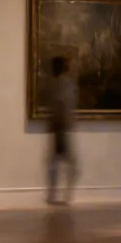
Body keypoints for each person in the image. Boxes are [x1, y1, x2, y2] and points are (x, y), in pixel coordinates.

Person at [45, 55, 79, 204]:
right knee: (69, 163)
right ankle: (64, 194)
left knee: (56, 162)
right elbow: (64, 105)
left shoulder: (53, 84)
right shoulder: (65, 84)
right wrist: (66, 121)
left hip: (58, 126)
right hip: (61, 127)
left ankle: (55, 194)